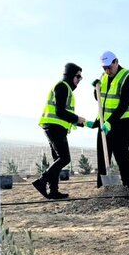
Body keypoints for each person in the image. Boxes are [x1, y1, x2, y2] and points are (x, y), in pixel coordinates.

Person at [32, 63, 87, 200]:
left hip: (54, 126)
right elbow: (60, 112)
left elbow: (64, 113)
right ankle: (42, 181)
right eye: (78, 76)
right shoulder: (62, 86)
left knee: (57, 159)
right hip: (55, 127)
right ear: (70, 75)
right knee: (64, 158)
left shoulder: (65, 88)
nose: (79, 80)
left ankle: (53, 191)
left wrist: (82, 123)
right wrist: (77, 118)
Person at [89, 51, 129, 190]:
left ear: (116, 62)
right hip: (104, 124)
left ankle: (127, 189)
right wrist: (96, 89)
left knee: (122, 157)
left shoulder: (127, 76)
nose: (107, 71)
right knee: (102, 158)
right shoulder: (103, 77)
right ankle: (102, 190)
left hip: (121, 124)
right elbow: (100, 99)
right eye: (104, 68)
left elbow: (124, 104)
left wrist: (111, 122)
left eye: (109, 67)